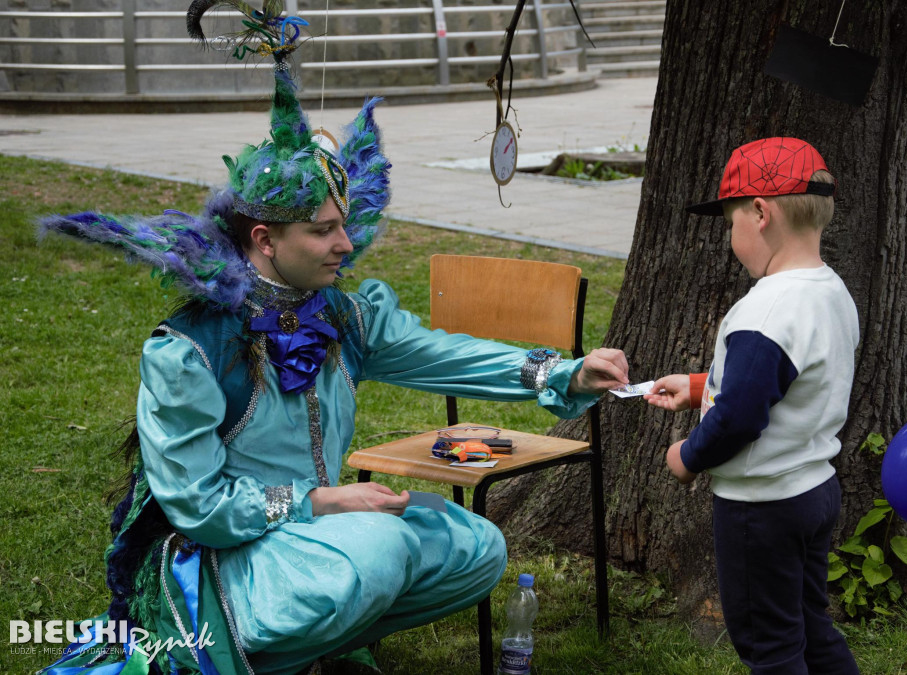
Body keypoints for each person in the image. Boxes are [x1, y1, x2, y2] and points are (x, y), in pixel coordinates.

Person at [38, 8, 628, 675]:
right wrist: (319, 501)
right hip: (224, 560)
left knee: (475, 545)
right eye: (322, 231)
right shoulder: (188, 350)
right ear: (265, 239)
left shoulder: (345, 317)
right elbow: (198, 507)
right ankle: (255, 648)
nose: (345, 246)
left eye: (343, 225)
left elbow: (446, 354)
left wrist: (562, 372)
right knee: (379, 544)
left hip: (315, 540)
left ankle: (309, 648)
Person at [643, 138, 860, 674]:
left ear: (761, 213)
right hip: (813, 490)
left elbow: (740, 416)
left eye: (730, 221)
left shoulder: (766, 309)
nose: (731, 237)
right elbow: (791, 379)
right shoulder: (829, 291)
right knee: (810, 627)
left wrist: (688, 457)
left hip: (760, 506)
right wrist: (700, 387)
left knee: (770, 646)